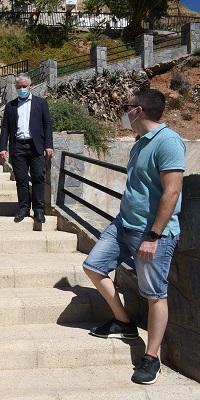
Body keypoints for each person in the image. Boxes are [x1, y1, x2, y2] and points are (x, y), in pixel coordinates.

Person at [83, 89, 186, 385]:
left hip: (151, 233)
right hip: (123, 224)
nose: (122, 112)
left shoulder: (168, 142)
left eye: (126, 107)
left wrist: (154, 235)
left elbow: (172, 191)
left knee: (155, 295)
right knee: (93, 266)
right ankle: (124, 322)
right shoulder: (140, 143)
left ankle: (151, 357)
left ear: (138, 111)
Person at [0, 73, 53, 224]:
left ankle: (39, 210)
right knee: (21, 180)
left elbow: (47, 125)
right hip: (18, 147)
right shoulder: (10, 106)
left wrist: (49, 145)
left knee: (38, 177)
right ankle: (23, 208)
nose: (22, 89)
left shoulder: (41, 103)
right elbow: (5, 128)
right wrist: (3, 147)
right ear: (16, 87)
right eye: (19, 87)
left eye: (24, 86)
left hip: (36, 147)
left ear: (30, 86)